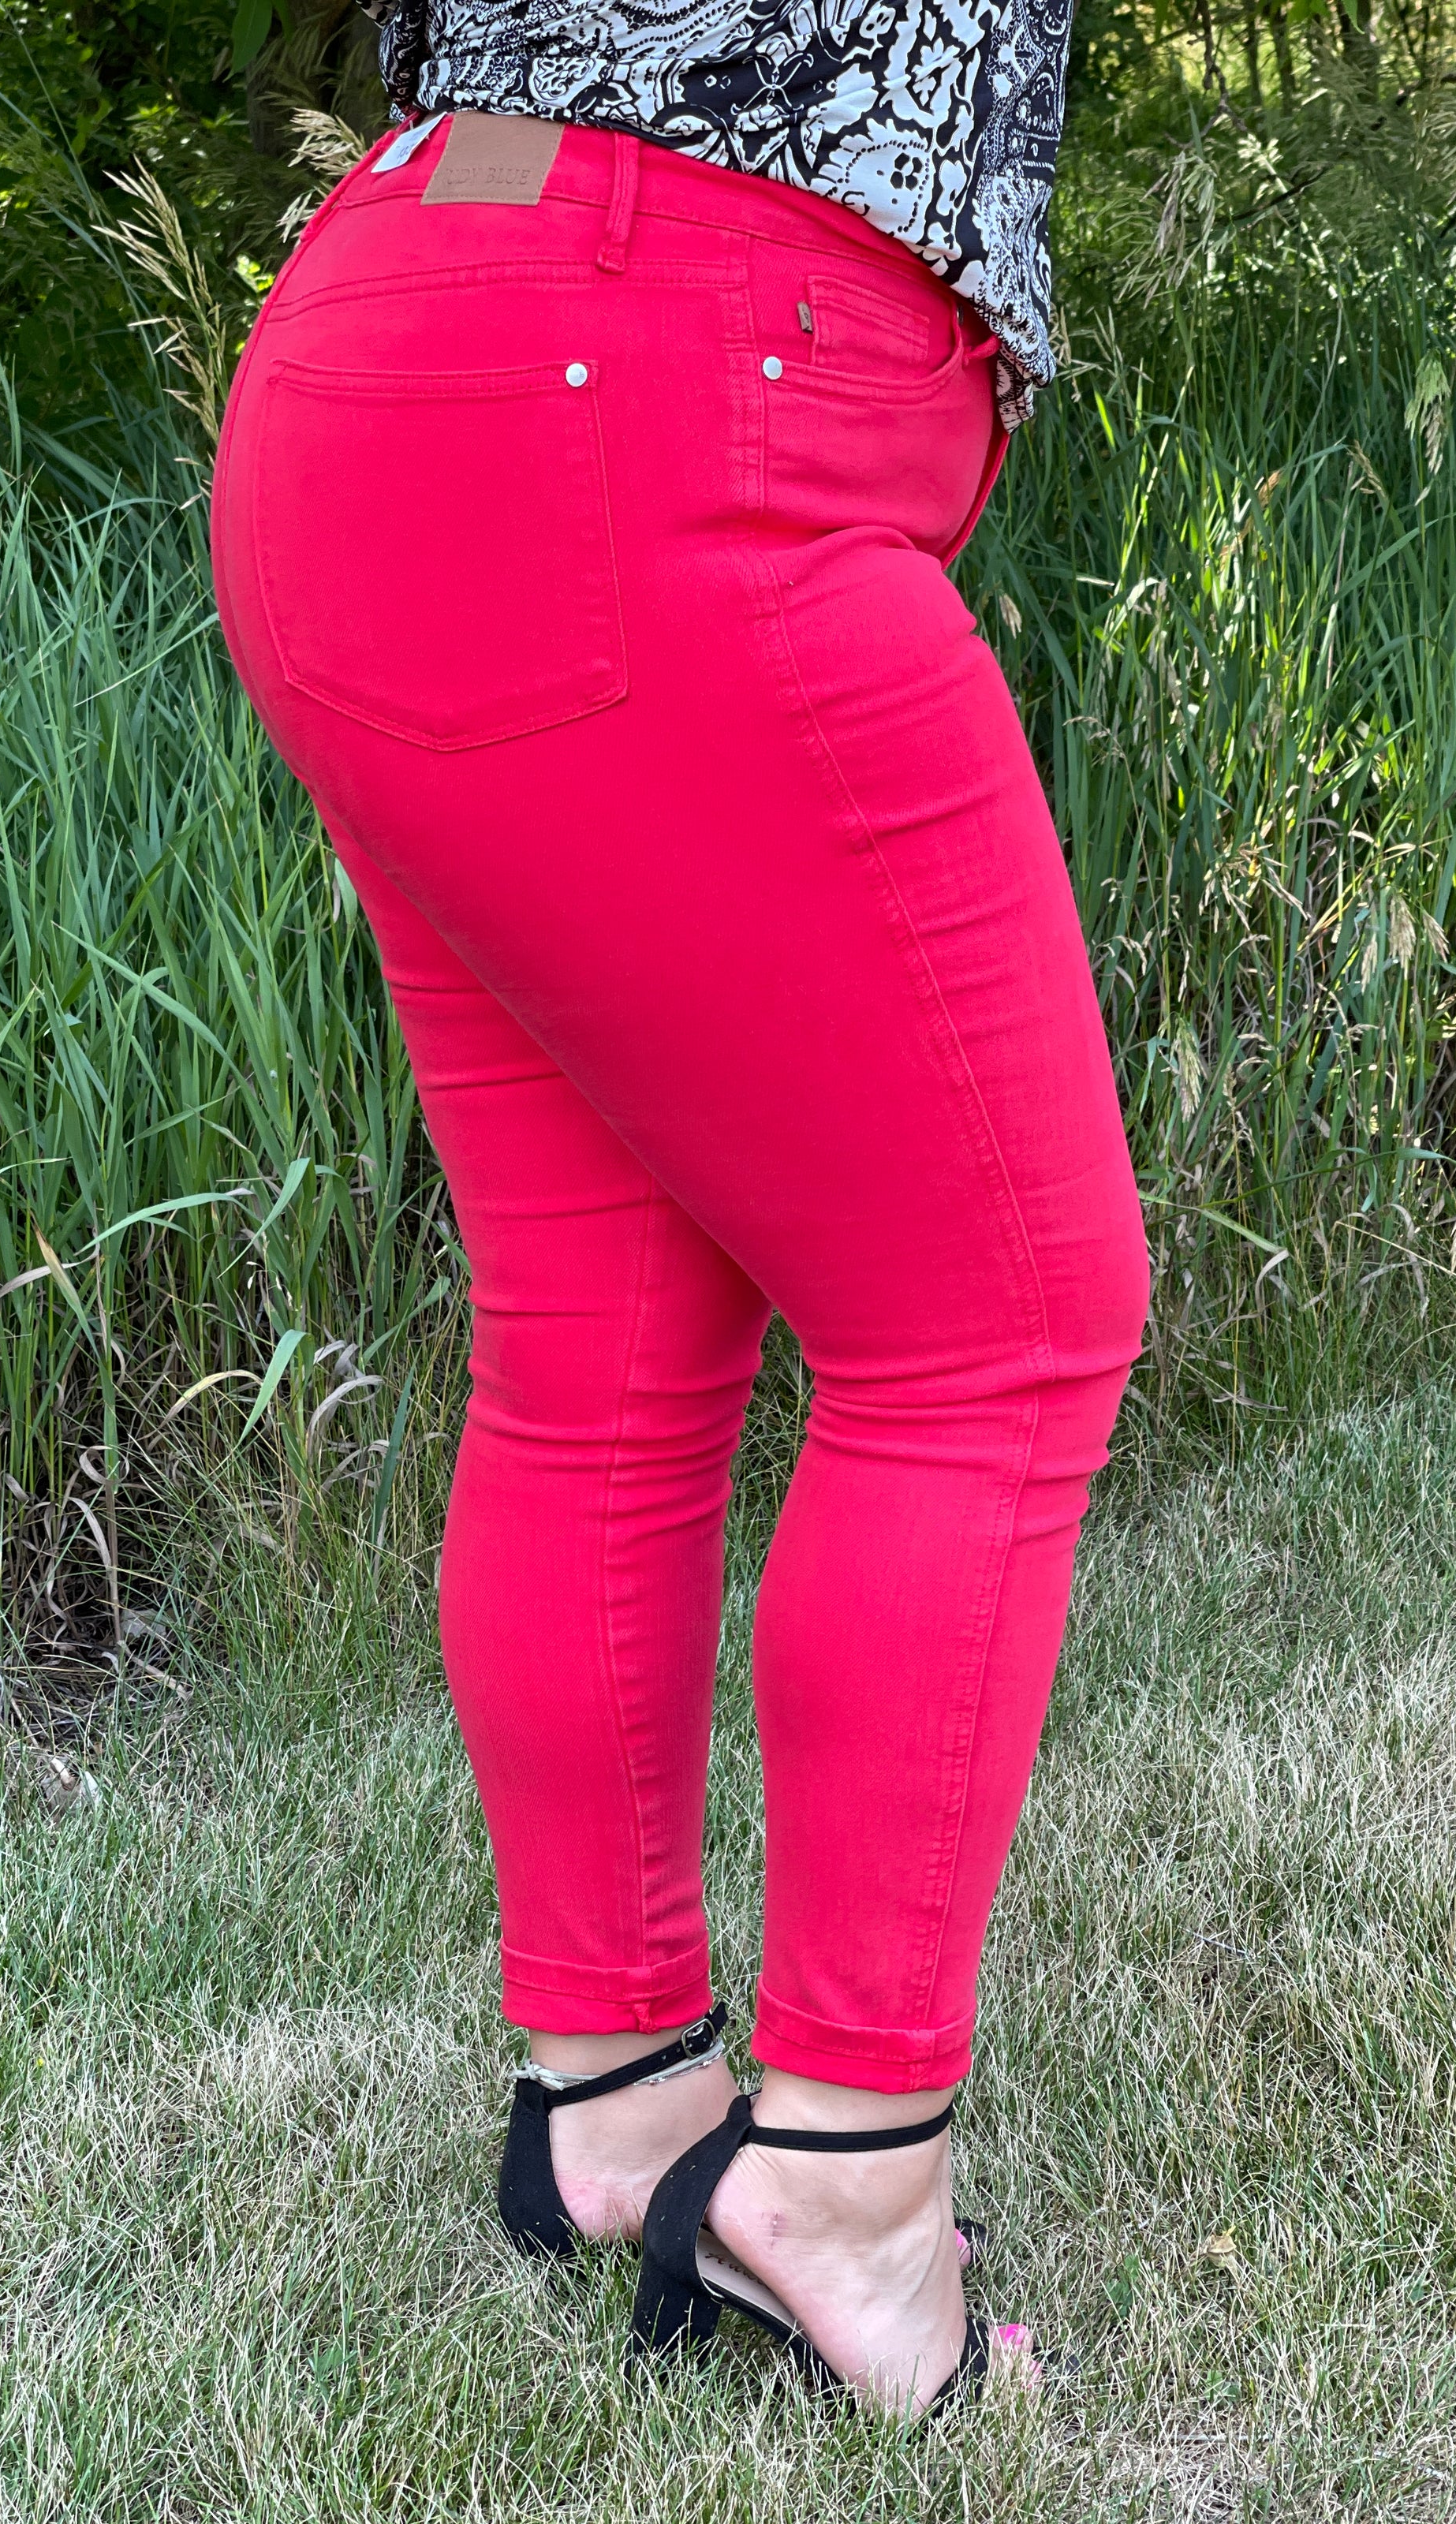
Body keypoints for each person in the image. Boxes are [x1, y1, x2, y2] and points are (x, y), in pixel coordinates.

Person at [211, 0, 1150, 2417]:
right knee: (1001, 1322)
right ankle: (841, 2193)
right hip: (667, 378)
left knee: (597, 1332)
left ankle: (613, 2101)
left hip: (389, 337)